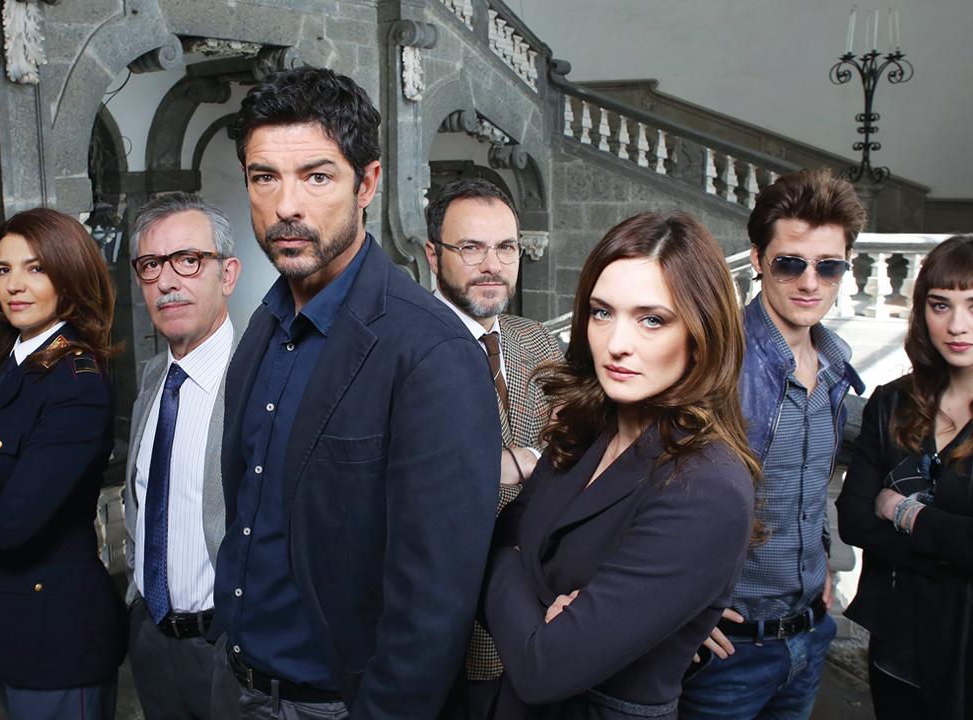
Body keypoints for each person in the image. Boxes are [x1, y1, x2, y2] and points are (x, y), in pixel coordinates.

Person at [210, 66, 501, 719]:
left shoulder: (430, 352)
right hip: (236, 684)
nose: (286, 205)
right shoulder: (264, 322)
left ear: (367, 183)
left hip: (335, 705)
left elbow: (435, 597)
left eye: (316, 177)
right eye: (264, 177)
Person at [482, 212, 757, 719]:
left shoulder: (707, 486)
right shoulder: (589, 430)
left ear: (701, 332)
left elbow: (544, 668)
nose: (615, 344)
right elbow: (504, 533)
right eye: (602, 312)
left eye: (652, 319)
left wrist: (508, 570)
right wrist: (539, 601)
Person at [681, 168, 867, 720]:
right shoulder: (716, 363)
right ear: (758, 259)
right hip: (726, 654)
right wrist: (679, 612)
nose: (810, 282)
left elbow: (810, 486)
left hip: (808, 637)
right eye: (790, 263)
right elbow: (651, 491)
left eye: (828, 266)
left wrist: (821, 563)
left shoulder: (834, 367)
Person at [836, 234, 973, 720]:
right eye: (940, 305)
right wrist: (966, 540)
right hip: (898, 646)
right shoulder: (891, 401)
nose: (956, 325)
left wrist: (901, 511)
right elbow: (854, 520)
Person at [0, 208, 127, 719]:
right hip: (6, 627)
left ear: (70, 276)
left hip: (58, 639)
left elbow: (10, 523)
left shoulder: (76, 383)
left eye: (35, 268)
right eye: (3, 270)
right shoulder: (6, 364)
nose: (14, 285)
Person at [422, 178, 563, 719]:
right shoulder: (398, 347)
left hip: (534, 623)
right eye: (471, 247)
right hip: (437, 632)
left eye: (506, 248)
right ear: (433, 254)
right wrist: (503, 465)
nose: (492, 265)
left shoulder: (538, 341)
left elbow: (580, 452)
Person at [122, 192, 242, 720]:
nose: (167, 281)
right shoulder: (153, 378)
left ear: (227, 274)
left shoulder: (258, 383)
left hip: (228, 651)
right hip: (152, 643)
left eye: (188, 260)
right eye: (151, 265)